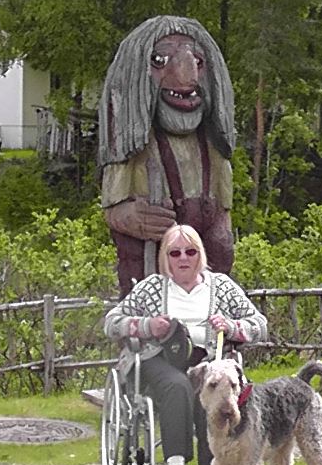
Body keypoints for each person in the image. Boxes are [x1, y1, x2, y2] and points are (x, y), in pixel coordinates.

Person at [102, 224, 267, 465]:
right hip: (159, 358)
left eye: (190, 252)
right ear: (165, 257)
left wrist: (231, 326)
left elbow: (259, 324)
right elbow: (112, 323)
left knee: (210, 386)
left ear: (200, 254)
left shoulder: (221, 286)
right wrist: (147, 325)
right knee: (178, 386)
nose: (183, 258)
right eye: (174, 253)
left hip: (208, 359)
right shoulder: (152, 287)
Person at [98, 16, 237, 295]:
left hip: (203, 264)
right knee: (142, 283)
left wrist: (220, 234)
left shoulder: (213, 146)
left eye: (198, 62)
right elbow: (113, 208)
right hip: (150, 264)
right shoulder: (134, 145)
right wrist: (131, 216)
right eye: (160, 61)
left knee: (217, 261)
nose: (188, 75)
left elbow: (223, 209)